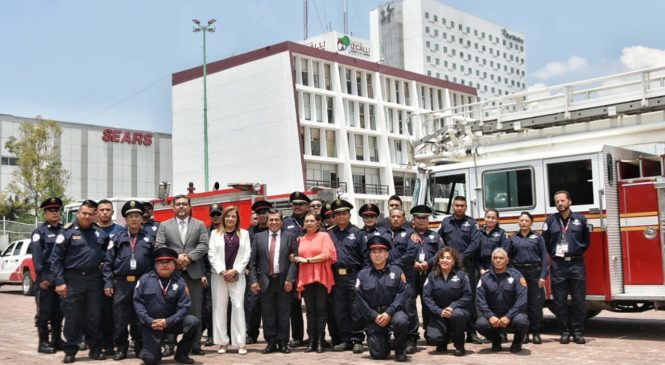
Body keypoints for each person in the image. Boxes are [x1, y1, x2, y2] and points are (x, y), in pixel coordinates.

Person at [50, 200, 109, 363]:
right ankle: (70, 350)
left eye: (91, 214)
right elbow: (56, 259)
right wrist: (59, 282)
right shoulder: (67, 232)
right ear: (78, 213)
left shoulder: (100, 234)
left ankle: (95, 349)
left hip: (93, 280)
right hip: (72, 280)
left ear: (95, 215)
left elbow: (106, 256)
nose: (87, 216)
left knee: (94, 317)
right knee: (72, 318)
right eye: (84, 213)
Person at [155, 194, 209, 356]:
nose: (181, 207)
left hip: (193, 272)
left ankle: (195, 344)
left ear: (189, 206)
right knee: (170, 308)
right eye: (178, 204)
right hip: (172, 272)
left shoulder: (199, 225)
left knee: (195, 310)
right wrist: (175, 258)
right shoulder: (164, 225)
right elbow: (159, 245)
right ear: (173, 208)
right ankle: (169, 344)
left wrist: (189, 257)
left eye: (184, 204)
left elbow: (204, 244)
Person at [103, 200, 155, 360]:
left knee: (140, 317)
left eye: (137, 216)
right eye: (130, 216)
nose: (134, 219)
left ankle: (139, 346)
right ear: (125, 219)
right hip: (121, 283)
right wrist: (108, 282)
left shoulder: (149, 239)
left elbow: (154, 263)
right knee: (120, 317)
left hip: (142, 282)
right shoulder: (117, 238)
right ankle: (121, 348)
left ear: (141, 218)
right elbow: (108, 262)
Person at [133, 247, 200, 365]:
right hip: (151, 324)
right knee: (150, 360)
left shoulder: (179, 281)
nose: (164, 265)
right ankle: (155, 351)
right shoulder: (145, 279)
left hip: (172, 323)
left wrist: (168, 321)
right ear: (155, 265)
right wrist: (149, 321)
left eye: (168, 262)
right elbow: (138, 303)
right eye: (161, 262)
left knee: (193, 322)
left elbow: (185, 307)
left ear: (174, 265)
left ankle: (181, 354)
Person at [542, 190, 591, 345]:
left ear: (570, 201)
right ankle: (564, 332)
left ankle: (577, 332)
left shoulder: (580, 219)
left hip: (576, 264)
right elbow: (546, 242)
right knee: (559, 301)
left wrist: (576, 252)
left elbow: (586, 242)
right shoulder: (550, 221)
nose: (560, 204)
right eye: (557, 201)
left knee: (579, 300)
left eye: (562, 200)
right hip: (558, 265)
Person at [249, 209, 299, 354]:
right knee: (268, 314)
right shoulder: (258, 237)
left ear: (281, 221)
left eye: (277, 219)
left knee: (284, 313)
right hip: (265, 281)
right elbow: (252, 262)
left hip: (283, 281)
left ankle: (283, 343)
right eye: (271, 220)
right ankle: (271, 342)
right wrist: (253, 281)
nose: (274, 222)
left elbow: (294, 261)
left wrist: (290, 279)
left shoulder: (290, 236)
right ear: (266, 221)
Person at [355, 235, 409, 362]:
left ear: (387, 254)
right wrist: (374, 315)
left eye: (381, 252)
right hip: (374, 316)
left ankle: (400, 349)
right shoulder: (363, 274)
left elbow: (403, 294)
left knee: (401, 321)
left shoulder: (397, 272)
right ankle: (382, 341)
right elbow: (359, 299)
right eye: (374, 252)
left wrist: (389, 313)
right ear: (370, 255)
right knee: (378, 354)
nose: (377, 255)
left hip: (394, 312)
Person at [437, 196, 483, 344]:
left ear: (466, 207)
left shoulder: (472, 223)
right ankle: (451, 332)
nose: (459, 208)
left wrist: (461, 257)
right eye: (456, 205)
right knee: (449, 297)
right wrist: (446, 257)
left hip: (466, 265)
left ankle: (471, 332)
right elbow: (439, 239)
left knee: (468, 298)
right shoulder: (445, 222)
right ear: (453, 206)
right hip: (448, 266)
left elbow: (475, 243)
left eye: (462, 205)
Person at [291, 212, 337, 353]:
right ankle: (311, 341)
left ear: (318, 223)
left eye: (312, 220)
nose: (309, 223)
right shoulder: (300, 239)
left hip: (321, 277)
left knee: (321, 310)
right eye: (307, 221)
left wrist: (307, 260)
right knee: (310, 311)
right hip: (306, 278)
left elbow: (327, 254)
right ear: (303, 224)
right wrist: (293, 257)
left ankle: (320, 341)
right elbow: (295, 256)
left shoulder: (324, 236)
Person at [208, 206, 251, 355]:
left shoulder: (244, 234)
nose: (230, 219)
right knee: (219, 307)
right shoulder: (214, 234)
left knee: (238, 306)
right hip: (218, 275)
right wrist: (222, 271)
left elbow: (247, 254)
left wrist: (235, 270)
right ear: (223, 218)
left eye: (233, 216)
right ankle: (222, 342)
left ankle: (240, 343)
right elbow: (211, 254)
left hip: (237, 276)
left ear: (237, 219)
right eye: (228, 216)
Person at [329, 199, 366, 353]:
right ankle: (345, 339)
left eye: (344, 214)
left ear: (349, 215)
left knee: (356, 308)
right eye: (338, 214)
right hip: (336, 277)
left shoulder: (358, 233)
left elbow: (365, 257)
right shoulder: (329, 233)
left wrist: (363, 278)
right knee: (340, 309)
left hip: (354, 275)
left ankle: (357, 339)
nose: (341, 217)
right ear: (334, 217)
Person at [476, 248, 529, 353]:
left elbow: (522, 299)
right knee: (480, 324)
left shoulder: (516, 275)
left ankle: (517, 342)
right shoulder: (485, 278)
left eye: (501, 258)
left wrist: (509, 316)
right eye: (495, 258)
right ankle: (496, 340)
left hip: (513, 316)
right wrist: (490, 316)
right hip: (493, 316)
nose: (498, 260)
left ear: (507, 260)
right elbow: (480, 300)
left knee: (522, 321)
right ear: (492, 260)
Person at [422, 247, 472, 356]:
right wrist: (439, 311)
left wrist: (452, 307)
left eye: (448, 258)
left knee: (458, 315)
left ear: (453, 261)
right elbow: (426, 297)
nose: (445, 260)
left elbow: (467, 295)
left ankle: (459, 344)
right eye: (442, 257)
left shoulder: (462, 276)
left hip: (457, 312)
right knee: (433, 338)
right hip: (438, 314)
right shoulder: (431, 276)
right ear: (438, 260)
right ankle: (443, 340)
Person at [408, 205, 444, 352]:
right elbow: (400, 252)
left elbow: (441, 253)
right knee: (410, 305)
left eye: (424, 218)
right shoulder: (407, 235)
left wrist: (427, 263)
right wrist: (413, 263)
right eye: (418, 218)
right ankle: (412, 336)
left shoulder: (435, 237)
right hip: (411, 275)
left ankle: (430, 333)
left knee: (428, 304)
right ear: (413, 220)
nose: (422, 221)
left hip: (429, 275)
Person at [509, 211, 549, 345]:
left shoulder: (538, 237)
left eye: (526, 221)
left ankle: (536, 332)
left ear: (531, 222)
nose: (524, 223)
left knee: (535, 305)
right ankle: (524, 333)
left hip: (534, 272)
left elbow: (544, 258)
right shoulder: (513, 238)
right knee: (521, 305)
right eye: (521, 220)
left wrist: (543, 276)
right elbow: (508, 258)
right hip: (519, 272)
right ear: (518, 222)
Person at [31, 197, 65, 354]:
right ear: (45, 213)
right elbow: (37, 258)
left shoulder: (64, 230)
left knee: (59, 311)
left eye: (57, 210)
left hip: (60, 277)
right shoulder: (40, 232)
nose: (55, 213)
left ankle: (57, 340)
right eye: (51, 211)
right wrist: (42, 278)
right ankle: (42, 342)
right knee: (44, 312)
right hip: (46, 276)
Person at [96, 199, 124, 356]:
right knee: (94, 312)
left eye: (108, 209)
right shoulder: (91, 229)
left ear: (113, 212)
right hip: (94, 278)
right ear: (97, 212)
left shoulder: (120, 230)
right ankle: (94, 341)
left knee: (111, 313)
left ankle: (109, 343)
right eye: (102, 209)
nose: (105, 212)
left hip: (114, 277)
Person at [282, 191, 309, 348]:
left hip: (310, 268)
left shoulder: (312, 220)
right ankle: (297, 337)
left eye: (301, 204)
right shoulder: (286, 222)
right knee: (294, 306)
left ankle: (313, 336)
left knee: (312, 306)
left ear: (307, 206)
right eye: (295, 204)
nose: (297, 207)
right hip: (292, 269)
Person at [246, 200, 272, 344]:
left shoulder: (274, 230)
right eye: (259, 213)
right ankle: (251, 334)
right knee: (253, 306)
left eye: (264, 213)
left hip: (271, 274)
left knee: (269, 308)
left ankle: (270, 336)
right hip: (254, 274)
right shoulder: (250, 232)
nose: (262, 216)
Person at [201, 203, 222, 347]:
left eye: (218, 214)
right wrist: (203, 274)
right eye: (213, 214)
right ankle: (210, 334)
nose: (215, 217)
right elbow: (202, 256)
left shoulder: (228, 231)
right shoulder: (205, 233)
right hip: (210, 272)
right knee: (208, 306)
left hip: (227, 273)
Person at [479, 209, 510, 276]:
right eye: (488, 217)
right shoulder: (478, 233)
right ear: (484, 218)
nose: (490, 220)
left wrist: (490, 269)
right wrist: (480, 269)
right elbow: (475, 253)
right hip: (480, 269)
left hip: (497, 267)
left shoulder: (502, 233)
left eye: (493, 218)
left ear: (497, 220)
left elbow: (504, 252)